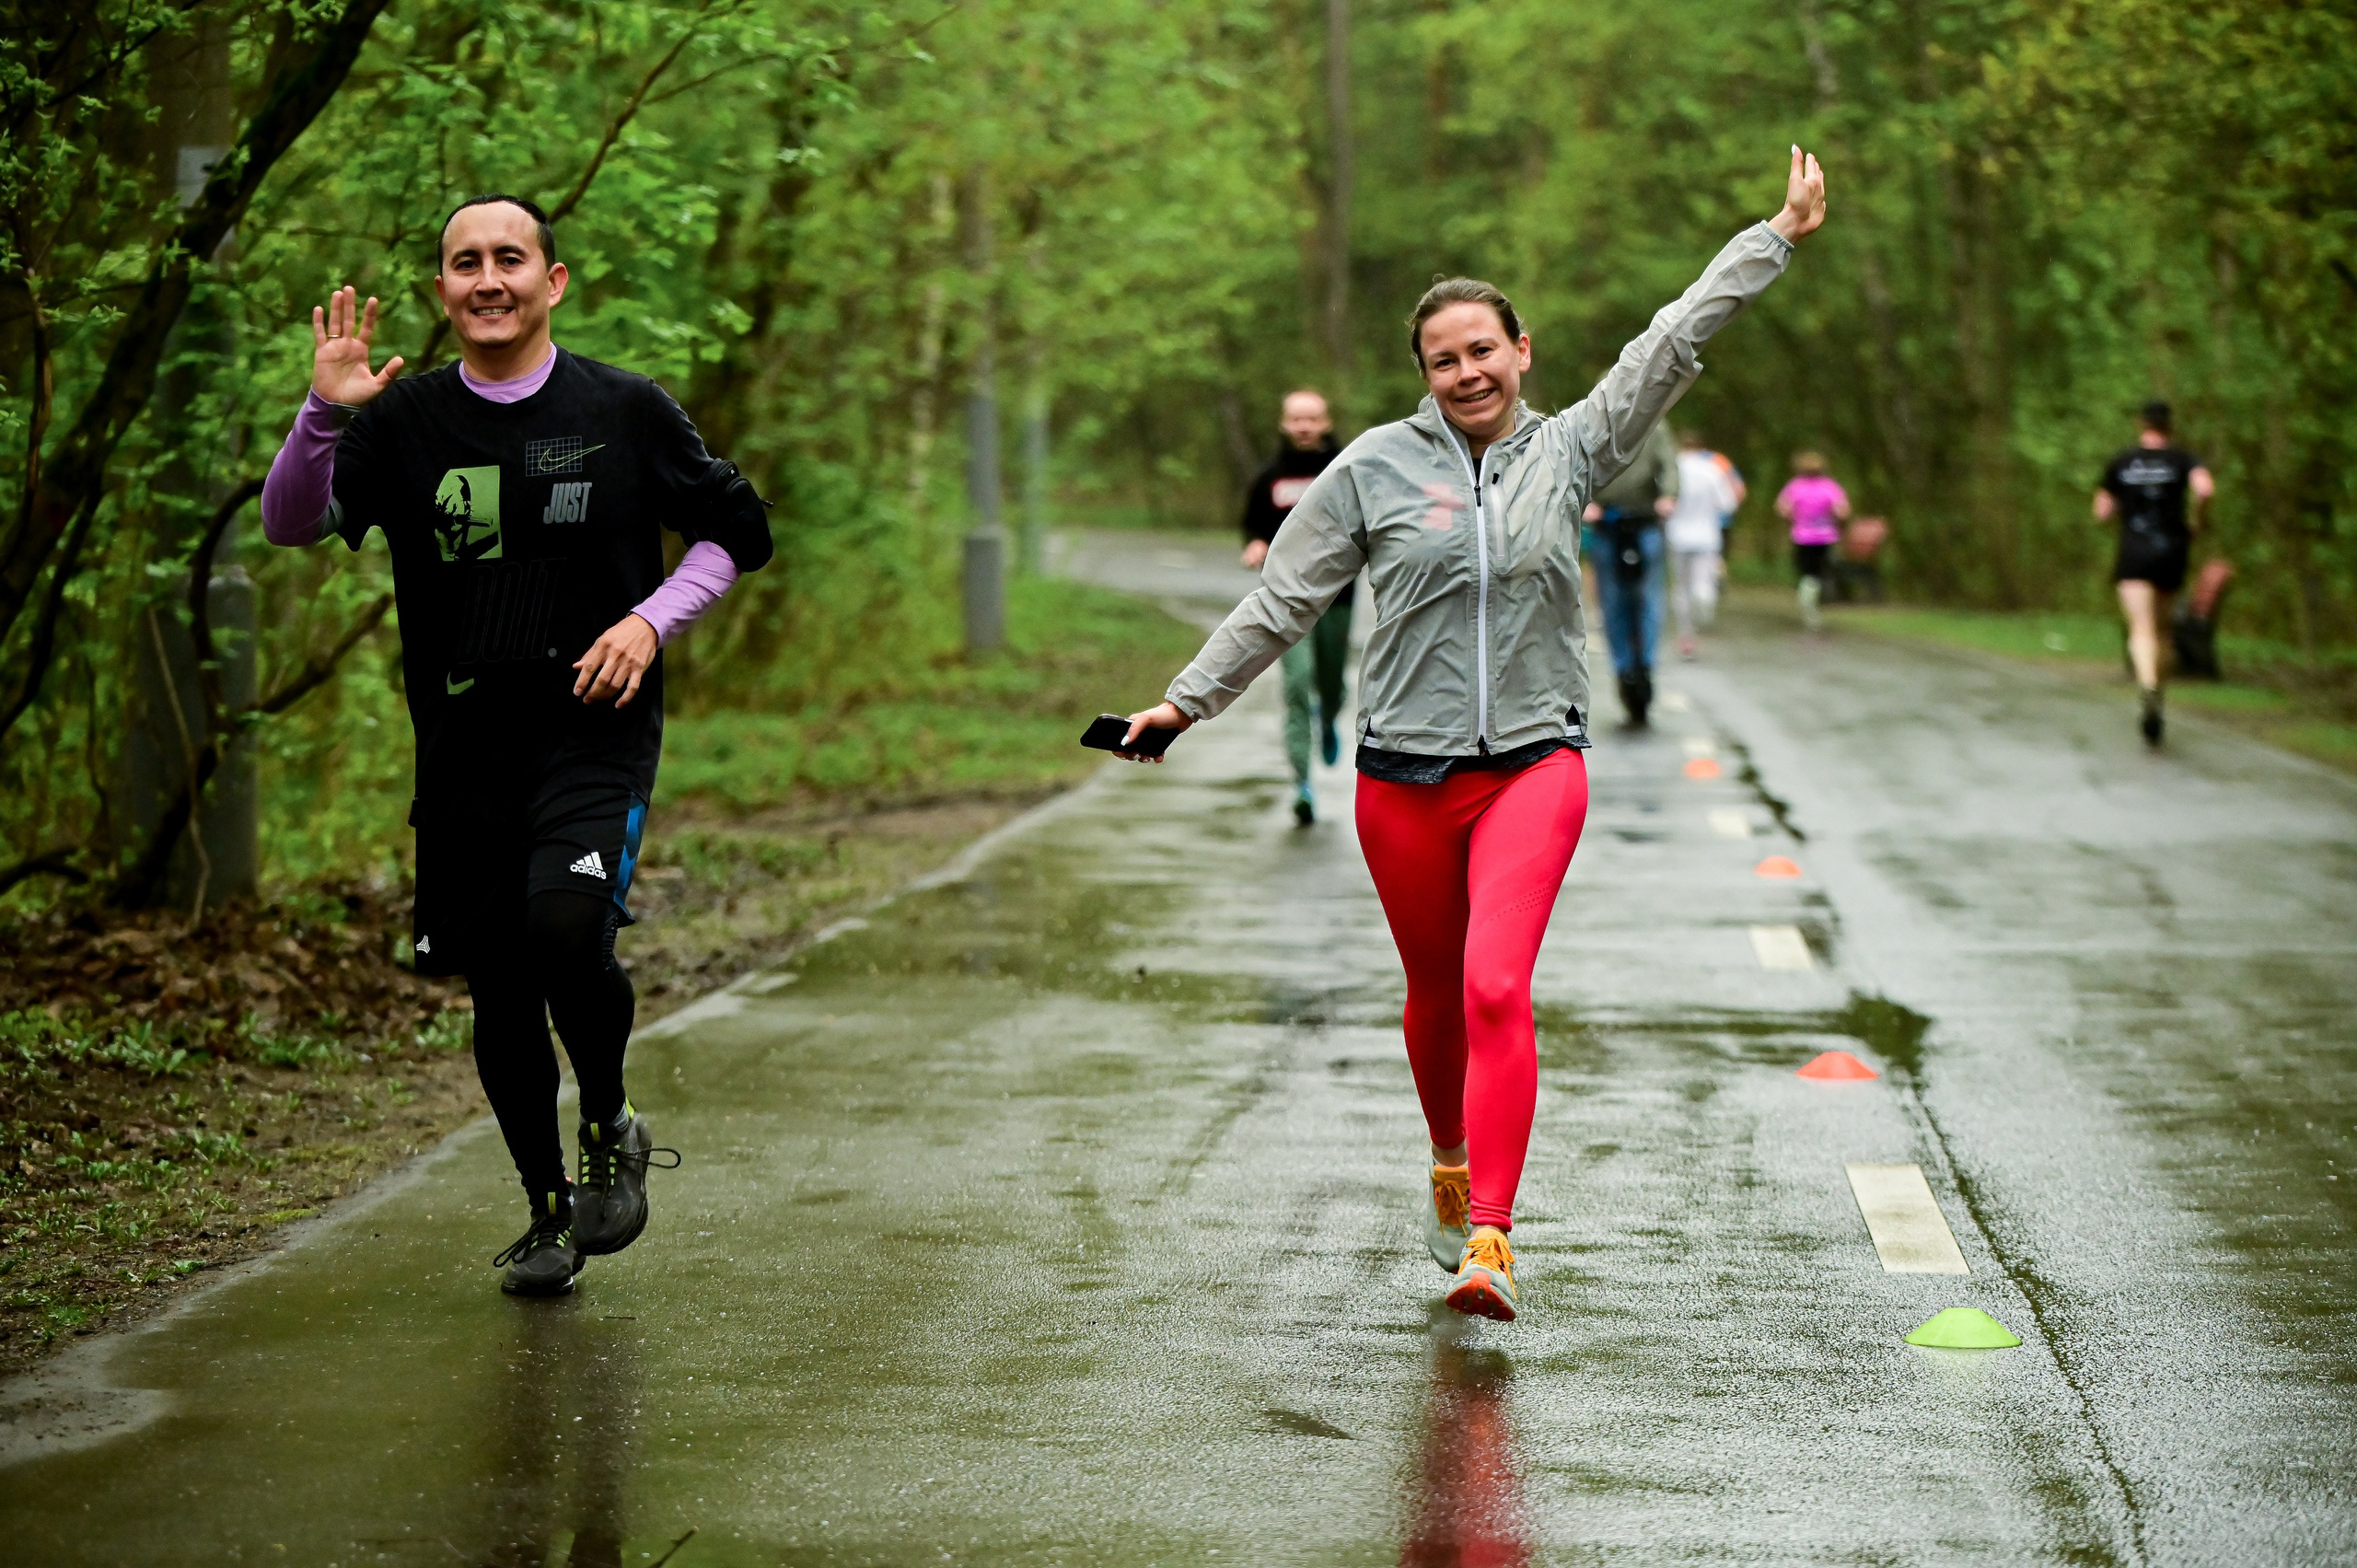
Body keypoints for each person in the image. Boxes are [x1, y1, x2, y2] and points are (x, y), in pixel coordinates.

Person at [1112, 147, 1829, 1321]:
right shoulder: (1370, 471)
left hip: (1535, 760)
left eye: (1483, 351)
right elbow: (1284, 598)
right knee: (1433, 993)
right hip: (1400, 771)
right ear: (1423, 376)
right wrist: (1184, 701)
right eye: (1444, 360)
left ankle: (1489, 1235)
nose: (1466, 373)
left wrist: (1776, 236)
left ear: (1521, 352)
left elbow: (1669, 341)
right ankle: (1446, 1150)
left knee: (1496, 982)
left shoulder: (1575, 448)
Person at [259, 195, 774, 1295]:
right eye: (463, 264)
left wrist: (648, 619)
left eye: (509, 258)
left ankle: (610, 1117)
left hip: (594, 725)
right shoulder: (400, 424)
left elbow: (740, 534)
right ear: (443, 292)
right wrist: (323, 410)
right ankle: (545, 1213)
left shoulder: (627, 409)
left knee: (566, 922)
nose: (487, 279)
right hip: (461, 744)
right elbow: (293, 523)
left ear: (555, 280)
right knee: (497, 985)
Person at [1239, 389, 1350, 824]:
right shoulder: (1270, 477)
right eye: (1296, 419)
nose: (1304, 427)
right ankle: (1302, 782)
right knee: (1296, 684)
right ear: (1284, 424)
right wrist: (1254, 544)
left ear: (1325, 422)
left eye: (1312, 419)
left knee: (1332, 682)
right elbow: (1253, 524)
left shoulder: (1346, 467)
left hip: (1337, 598)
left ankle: (1328, 720)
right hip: (1286, 600)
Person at [2095, 400, 2213, 745]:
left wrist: (2120, 511)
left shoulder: (2121, 462)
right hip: (2172, 550)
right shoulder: (2183, 459)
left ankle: (2146, 687)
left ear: (2141, 424)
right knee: (2163, 633)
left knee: (2141, 629)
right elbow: (2205, 489)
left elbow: (2101, 511)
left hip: (2134, 553)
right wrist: (2197, 522)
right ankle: (2158, 695)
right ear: (2169, 426)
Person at [1580, 419, 1678, 722]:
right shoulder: (1591, 427)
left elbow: (1670, 467)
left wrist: (1668, 497)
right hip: (1608, 525)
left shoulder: (1655, 427)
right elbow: (1578, 468)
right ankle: (1623, 669)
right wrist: (1585, 501)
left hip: (1645, 521)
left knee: (1649, 597)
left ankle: (1645, 665)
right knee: (1613, 602)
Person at [1666, 429, 1738, 658]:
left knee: (1681, 587)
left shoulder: (1672, 468)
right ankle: (1705, 600)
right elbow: (1727, 504)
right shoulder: (1712, 469)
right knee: (1703, 582)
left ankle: (1686, 636)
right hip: (1707, 536)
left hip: (1676, 535)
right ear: (1701, 448)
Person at [1774, 451, 1849, 631]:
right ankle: (1811, 600)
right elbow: (1843, 511)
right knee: (1818, 570)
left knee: (1805, 569)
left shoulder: (1795, 486)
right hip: (1825, 535)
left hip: (1802, 535)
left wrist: (1794, 518)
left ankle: (1807, 597)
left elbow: (1782, 508)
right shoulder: (1829, 487)